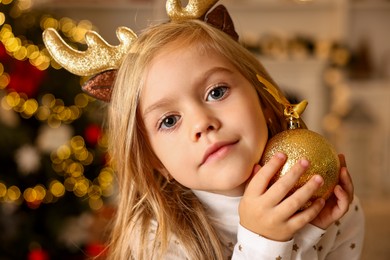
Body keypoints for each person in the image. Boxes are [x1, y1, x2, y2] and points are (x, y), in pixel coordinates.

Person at [104, 16, 364, 259]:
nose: (203, 123)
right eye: (169, 121)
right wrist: (265, 241)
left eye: (217, 92)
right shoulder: (155, 238)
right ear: (155, 161)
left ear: (264, 101)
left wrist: (309, 232)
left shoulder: (328, 199)